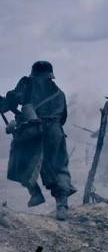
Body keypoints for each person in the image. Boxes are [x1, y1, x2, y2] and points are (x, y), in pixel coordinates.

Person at [0, 61, 76, 220]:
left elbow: (10, 103)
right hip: (56, 132)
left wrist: (4, 102)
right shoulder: (60, 93)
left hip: (34, 129)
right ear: (50, 75)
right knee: (59, 167)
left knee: (20, 159)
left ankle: (35, 192)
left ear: (34, 73)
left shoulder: (27, 83)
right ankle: (62, 205)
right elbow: (63, 118)